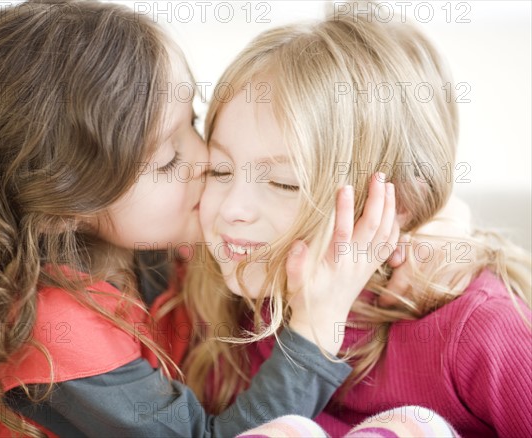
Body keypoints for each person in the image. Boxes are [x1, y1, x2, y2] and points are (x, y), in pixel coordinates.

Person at [0, 1, 401, 436]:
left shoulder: (146, 238)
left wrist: (416, 220)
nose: (205, 159)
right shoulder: (50, 333)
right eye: (168, 160)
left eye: (193, 123)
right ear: (60, 209)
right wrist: (315, 329)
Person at [182, 7, 532, 438]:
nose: (232, 208)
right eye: (219, 170)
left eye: (284, 183)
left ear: (395, 202)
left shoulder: (477, 327)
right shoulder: (217, 296)